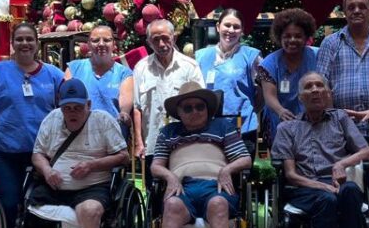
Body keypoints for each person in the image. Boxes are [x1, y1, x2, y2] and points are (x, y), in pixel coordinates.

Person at [272, 72, 369, 228]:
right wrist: (323, 186)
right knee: (326, 199)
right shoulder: (287, 128)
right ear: (300, 97)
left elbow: (366, 151)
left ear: (328, 93)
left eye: (320, 86)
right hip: (304, 187)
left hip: (338, 183)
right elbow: (290, 175)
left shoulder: (340, 118)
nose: (315, 90)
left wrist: (341, 164)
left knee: (351, 191)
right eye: (309, 87)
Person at [151, 82, 252, 228]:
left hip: (215, 186)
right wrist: (170, 177)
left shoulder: (223, 127)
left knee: (218, 204)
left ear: (207, 108)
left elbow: (245, 159)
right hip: (182, 187)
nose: (195, 111)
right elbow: (156, 166)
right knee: (171, 205)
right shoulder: (168, 132)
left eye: (200, 106)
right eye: (188, 108)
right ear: (179, 112)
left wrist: (226, 170)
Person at [30, 78, 128, 228]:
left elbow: (123, 156)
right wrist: (47, 170)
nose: (72, 113)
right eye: (67, 108)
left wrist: (92, 165)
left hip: (92, 188)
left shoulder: (103, 120)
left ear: (88, 105)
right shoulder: (52, 119)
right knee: (27, 204)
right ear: (60, 107)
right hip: (54, 187)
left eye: (77, 107)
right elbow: (37, 154)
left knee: (90, 210)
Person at [0, 22, 63, 228]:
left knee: (38, 206)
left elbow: (65, 110)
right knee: (9, 203)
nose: (25, 43)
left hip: (43, 153)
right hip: (5, 151)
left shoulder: (54, 74)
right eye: (20, 39)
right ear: (13, 43)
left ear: (37, 43)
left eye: (29, 39)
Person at [123, 19, 204, 161]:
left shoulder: (190, 67)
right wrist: (139, 143)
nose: (161, 44)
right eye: (156, 40)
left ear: (174, 38)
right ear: (149, 42)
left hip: (184, 142)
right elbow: (137, 108)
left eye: (165, 38)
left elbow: (201, 105)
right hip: (152, 144)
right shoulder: (141, 68)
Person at [196, 9, 261, 146]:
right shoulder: (200, 56)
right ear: (218, 27)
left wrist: (252, 110)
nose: (231, 30)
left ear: (242, 31)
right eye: (227, 25)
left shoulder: (252, 56)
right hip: (208, 127)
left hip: (243, 127)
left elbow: (263, 91)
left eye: (236, 27)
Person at [257, 8, 319, 145]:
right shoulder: (269, 63)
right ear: (280, 37)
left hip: (313, 123)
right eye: (287, 36)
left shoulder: (318, 56)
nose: (292, 40)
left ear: (306, 37)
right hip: (280, 123)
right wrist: (281, 111)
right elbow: (269, 96)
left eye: (298, 36)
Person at [64, 24, 133, 122]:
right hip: (81, 129)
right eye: (95, 40)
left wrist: (124, 114)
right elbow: (67, 99)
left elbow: (125, 105)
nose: (101, 44)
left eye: (107, 40)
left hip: (113, 129)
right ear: (88, 44)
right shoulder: (73, 68)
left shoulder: (124, 73)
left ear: (114, 45)